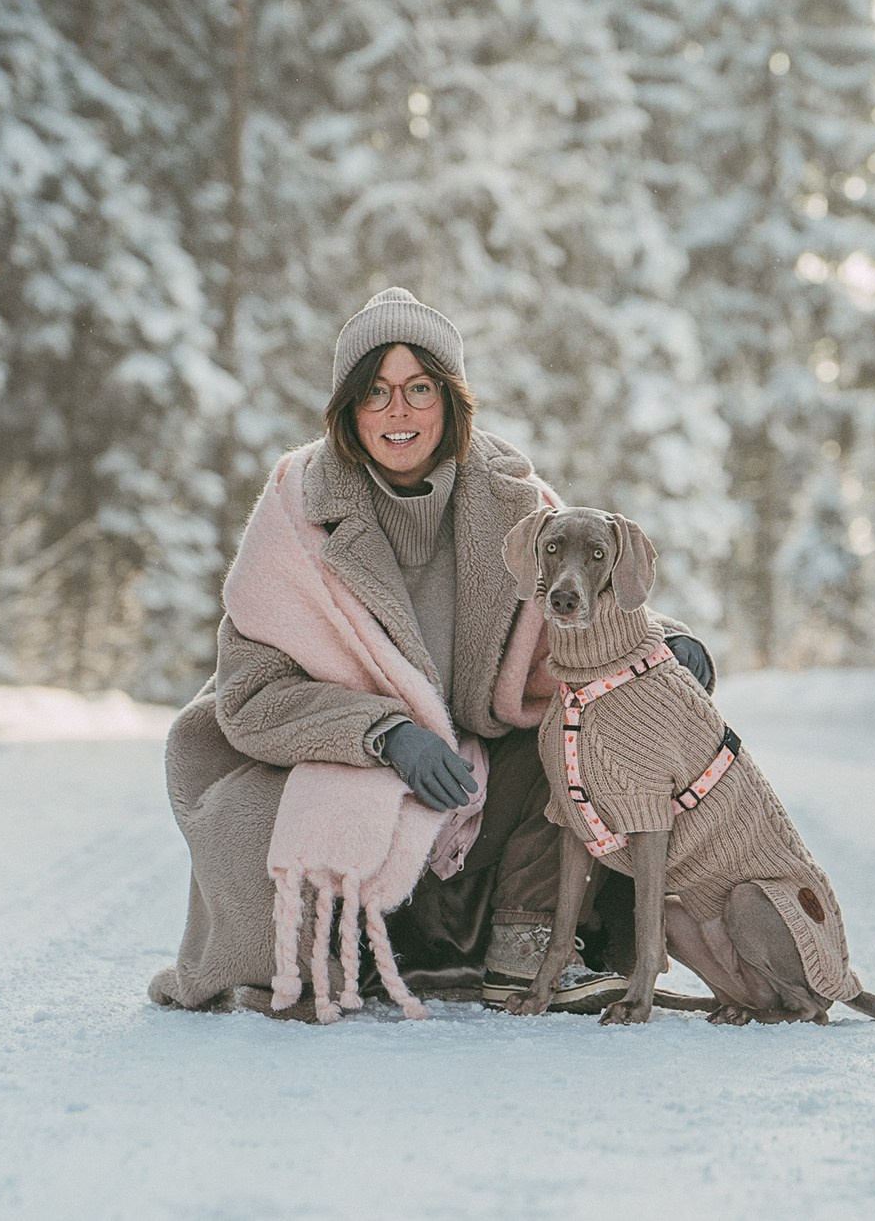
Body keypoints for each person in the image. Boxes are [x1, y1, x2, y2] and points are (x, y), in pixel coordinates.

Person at [149, 287, 714, 1016]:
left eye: (419, 389)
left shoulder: (512, 501)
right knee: (259, 813)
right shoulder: (296, 510)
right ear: (349, 411)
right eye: (376, 392)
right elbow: (252, 692)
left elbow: (575, 594)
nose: (398, 411)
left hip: (486, 776)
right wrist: (385, 733)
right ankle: (343, 941)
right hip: (351, 761)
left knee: (584, 737)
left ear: (450, 403)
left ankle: (529, 940)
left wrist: (670, 642)